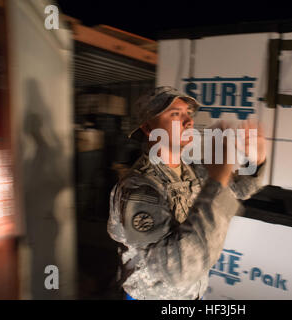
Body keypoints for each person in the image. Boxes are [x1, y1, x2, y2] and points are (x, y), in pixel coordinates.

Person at [107, 86, 266, 300]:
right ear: (148, 128)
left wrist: (255, 161)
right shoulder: (140, 189)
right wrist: (218, 180)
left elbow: (239, 190)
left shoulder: (192, 170)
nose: (188, 121)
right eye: (175, 114)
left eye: (188, 114)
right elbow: (177, 270)